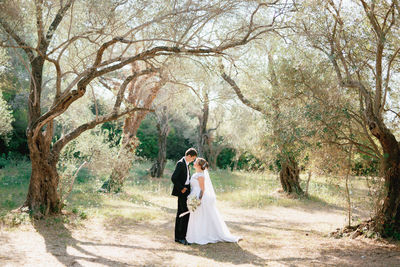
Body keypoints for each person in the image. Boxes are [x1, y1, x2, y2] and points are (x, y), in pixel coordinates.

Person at [186, 157, 241, 245]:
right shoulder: (196, 174)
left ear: (199, 165)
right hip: (194, 195)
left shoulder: (200, 175)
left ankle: (204, 235)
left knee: (201, 216)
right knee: (196, 216)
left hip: (199, 197)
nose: (194, 163)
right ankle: (195, 234)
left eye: (195, 162)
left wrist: (198, 200)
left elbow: (203, 189)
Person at [171, 148, 197, 245]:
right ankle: (180, 237)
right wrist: (181, 188)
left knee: (184, 213)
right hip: (182, 191)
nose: (193, 160)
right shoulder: (181, 163)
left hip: (186, 190)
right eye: (193, 158)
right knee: (183, 213)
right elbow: (174, 178)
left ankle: (181, 236)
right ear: (189, 156)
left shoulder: (186, 164)